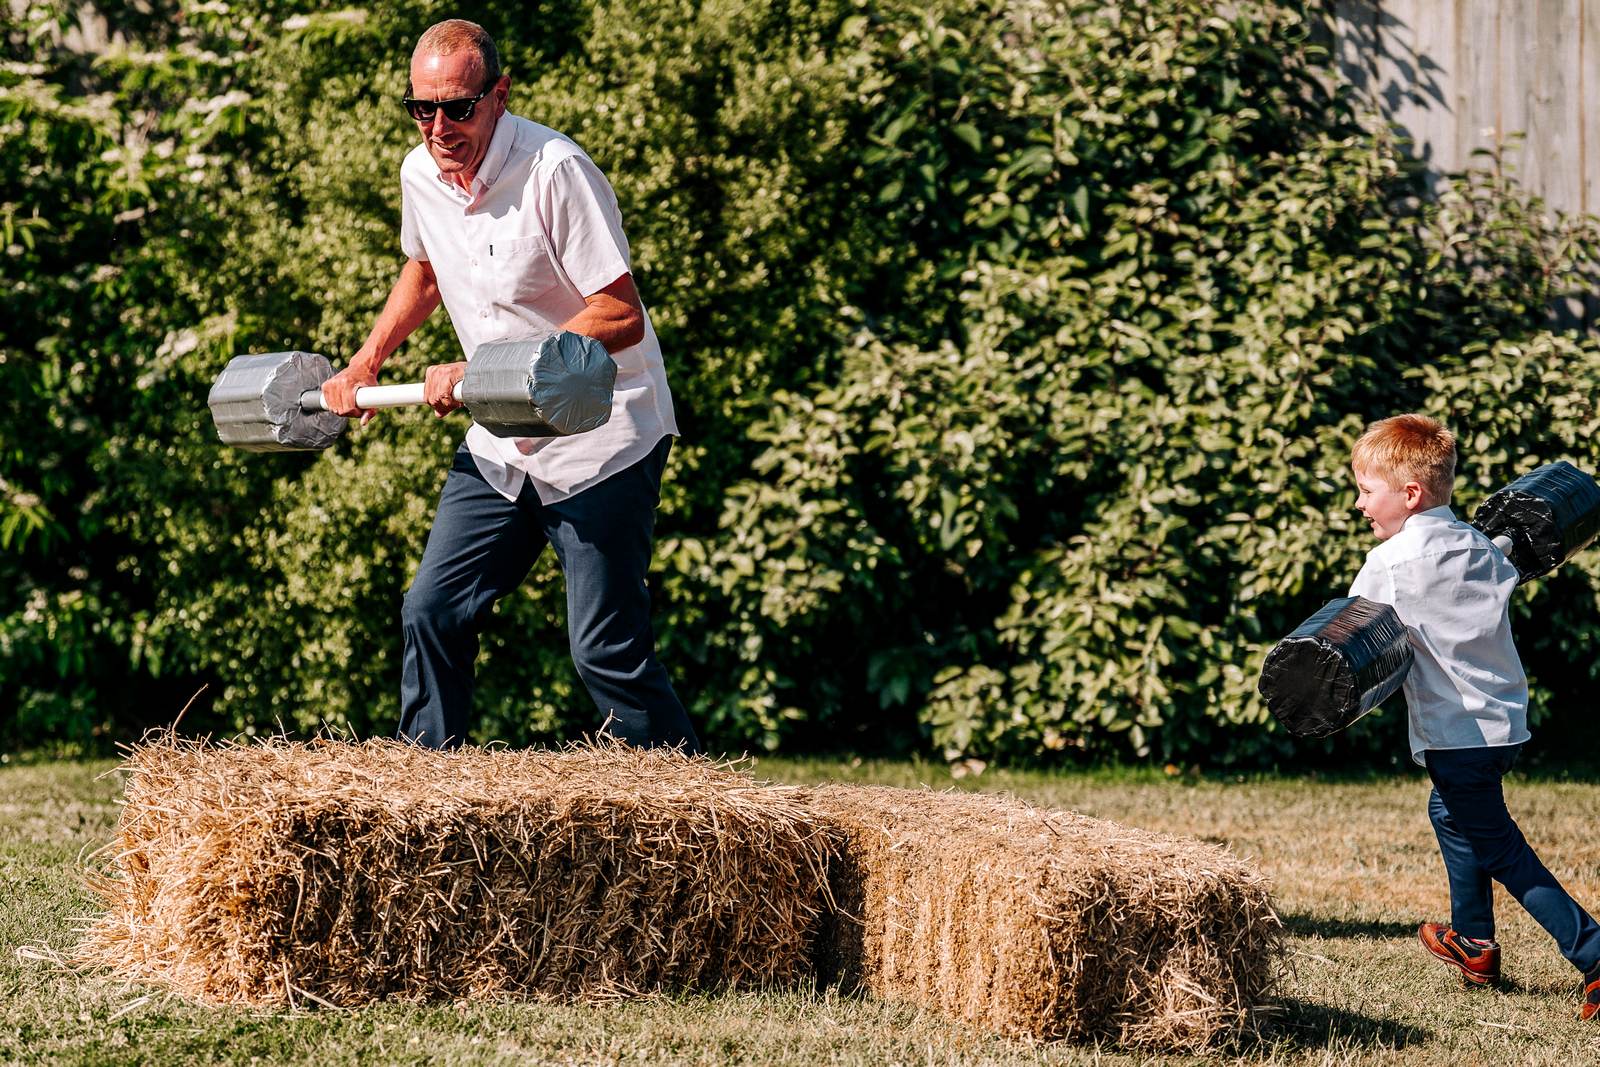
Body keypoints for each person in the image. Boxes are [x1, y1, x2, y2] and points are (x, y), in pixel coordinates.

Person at [321, 19, 700, 755]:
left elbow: (621, 314)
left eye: (457, 107)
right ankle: (426, 803)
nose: (438, 127)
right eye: (421, 109)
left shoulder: (555, 170)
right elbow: (425, 270)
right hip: (502, 438)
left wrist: (492, 368)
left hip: (603, 436)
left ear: (499, 95)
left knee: (605, 652)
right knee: (431, 609)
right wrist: (367, 358)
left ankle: (705, 823)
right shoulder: (419, 174)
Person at [1347, 413, 1599, 1019]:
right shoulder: (1479, 545)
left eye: (1365, 490)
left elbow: (1351, 637)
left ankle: (1593, 952)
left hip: (1455, 734)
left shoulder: (1389, 564)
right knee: (1452, 813)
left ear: (1408, 494)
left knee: (1503, 850)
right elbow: (1514, 554)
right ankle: (1474, 941)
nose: (1359, 505)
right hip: (1502, 723)